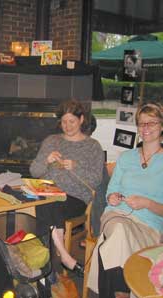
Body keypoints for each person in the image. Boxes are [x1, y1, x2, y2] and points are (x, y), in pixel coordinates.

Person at [87, 101, 163, 298]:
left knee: (112, 243)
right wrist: (111, 198)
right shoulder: (125, 157)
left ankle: (115, 294)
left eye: (152, 123)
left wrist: (146, 203)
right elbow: (110, 193)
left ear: (162, 125)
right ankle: (122, 293)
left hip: (149, 226)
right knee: (119, 228)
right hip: (116, 215)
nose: (146, 128)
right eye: (142, 123)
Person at [30, 100, 105, 276]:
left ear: (81, 119)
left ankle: (45, 263)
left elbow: (96, 181)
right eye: (64, 122)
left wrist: (76, 167)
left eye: (72, 121)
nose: (67, 126)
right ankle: (63, 256)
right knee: (44, 204)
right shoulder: (51, 141)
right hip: (46, 193)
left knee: (47, 206)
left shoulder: (93, 146)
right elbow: (34, 172)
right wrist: (46, 161)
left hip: (75, 198)